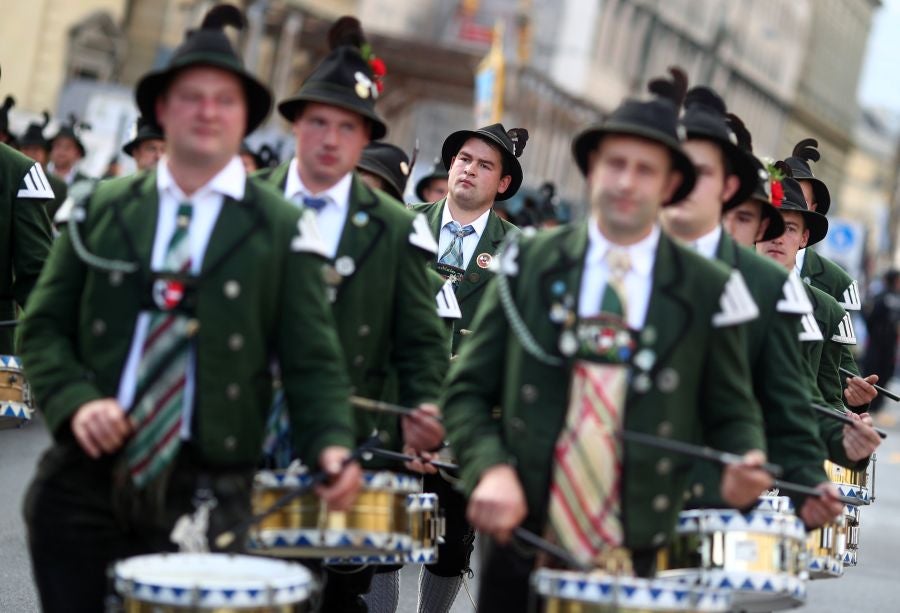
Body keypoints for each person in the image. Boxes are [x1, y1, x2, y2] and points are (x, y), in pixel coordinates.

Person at [20, 7, 360, 612]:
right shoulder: (104, 208)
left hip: (211, 486)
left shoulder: (280, 229)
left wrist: (331, 445)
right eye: (190, 97)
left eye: (224, 100)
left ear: (244, 118)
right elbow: (44, 329)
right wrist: (76, 403)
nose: (207, 111)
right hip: (87, 478)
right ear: (163, 110)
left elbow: (313, 363)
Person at [443, 69, 771, 611]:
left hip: (640, 545)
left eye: (646, 170)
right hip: (524, 534)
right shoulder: (529, 262)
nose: (626, 182)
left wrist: (744, 460)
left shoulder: (704, 288)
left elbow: (733, 412)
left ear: (671, 186)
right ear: (591, 169)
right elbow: (467, 392)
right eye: (615, 163)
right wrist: (491, 469)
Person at [258, 15, 448, 612]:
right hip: (235, 436)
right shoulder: (241, 201)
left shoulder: (395, 229)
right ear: (295, 124)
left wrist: (423, 413)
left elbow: (419, 341)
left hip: (342, 444)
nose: (330, 139)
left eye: (348, 126)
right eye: (317, 121)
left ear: (366, 138)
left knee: (320, 592)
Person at [661, 86, 840, 525]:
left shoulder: (763, 287)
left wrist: (807, 471)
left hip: (703, 495)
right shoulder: (558, 259)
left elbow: (779, 395)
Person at [407, 123, 523, 612]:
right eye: (463, 159)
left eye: (484, 164)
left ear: (502, 184)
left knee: (449, 545)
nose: (469, 169)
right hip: (400, 408)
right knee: (383, 541)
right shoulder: (405, 225)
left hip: (467, 421)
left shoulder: (519, 250)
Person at [755, 175, 882, 471]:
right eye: (770, 225)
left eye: (788, 228)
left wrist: (850, 419)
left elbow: (819, 397)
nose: (777, 236)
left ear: (803, 238)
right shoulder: (722, 289)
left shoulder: (825, 308)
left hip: (789, 466)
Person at [785, 139, 878, 411]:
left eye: (797, 198)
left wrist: (854, 397)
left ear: (811, 212)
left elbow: (838, 372)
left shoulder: (838, 285)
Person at [17, 111, 68, 219]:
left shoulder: (58, 186)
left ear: (46, 154)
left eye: (36, 150)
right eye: (26, 149)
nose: (30, 154)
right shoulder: (9, 178)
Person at [863, 269, 900, 415]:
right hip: (884, 343)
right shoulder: (887, 297)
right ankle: (874, 405)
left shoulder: (879, 297)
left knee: (877, 371)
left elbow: (868, 317)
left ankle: (873, 405)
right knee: (881, 372)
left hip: (879, 343)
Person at [48, 114, 92, 186]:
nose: (61, 151)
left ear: (77, 153)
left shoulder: (84, 183)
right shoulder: (39, 175)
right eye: (57, 146)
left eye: (67, 147)